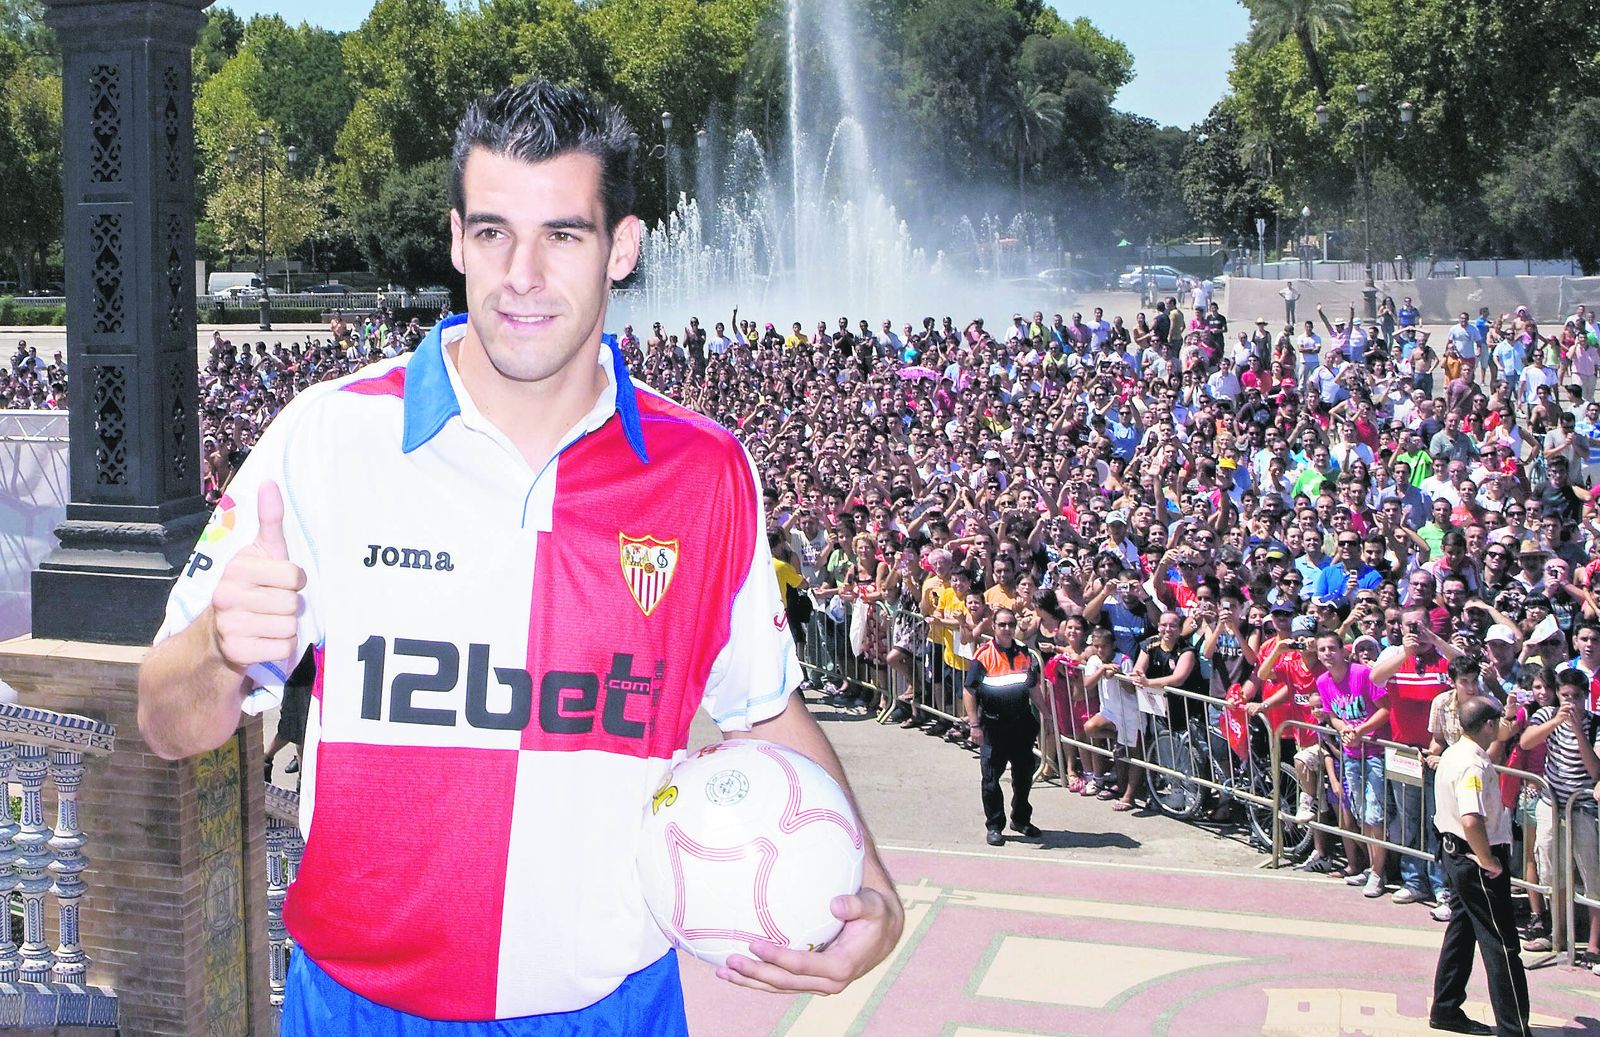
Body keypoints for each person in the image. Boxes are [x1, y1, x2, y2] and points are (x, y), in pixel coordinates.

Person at [136, 80, 903, 1033]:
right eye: (494, 233)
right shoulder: (326, 439)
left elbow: (765, 710)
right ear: (457, 239)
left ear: (623, 247)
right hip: (360, 1010)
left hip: (609, 1008)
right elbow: (167, 722)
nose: (523, 274)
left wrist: (875, 885)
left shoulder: (704, 473)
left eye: (564, 235)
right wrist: (215, 643)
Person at [1430, 696, 1531, 1037]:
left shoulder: (1454, 753)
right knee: (1501, 945)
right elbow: (1471, 819)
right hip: (1476, 860)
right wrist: (1488, 861)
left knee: (1461, 932)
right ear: (1487, 725)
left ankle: (1445, 1008)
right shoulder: (1472, 764)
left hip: (1454, 853)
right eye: (1499, 720)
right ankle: (1513, 1028)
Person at [963, 607, 1045, 845]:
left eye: (1011, 624)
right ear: (994, 627)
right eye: (1002, 625)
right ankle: (995, 825)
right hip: (992, 725)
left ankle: (1020, 819)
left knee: (1023, 776)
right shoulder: (983, 655)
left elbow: (1032, 687)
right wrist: (974, 725)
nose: (1007, 629)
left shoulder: (1024, 653)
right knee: (991, 778)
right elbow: (969, 691)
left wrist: (1046, 714)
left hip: (1020, 724)